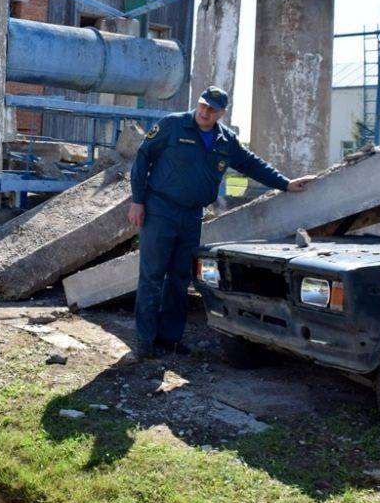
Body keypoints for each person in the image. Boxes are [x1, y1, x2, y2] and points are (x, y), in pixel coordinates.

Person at [128, 87, 315, 359]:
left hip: (192, 216)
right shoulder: (172, 125)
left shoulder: (225, 140)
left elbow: (252, 164)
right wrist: (138, 201)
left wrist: (285, 183)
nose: (205, 112)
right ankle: (145, 340)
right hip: (160, 210)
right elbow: (142, 157)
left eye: (212, 109)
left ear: (222, 113)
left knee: (180, 278)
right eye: (203, 106)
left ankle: (169, 338)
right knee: (152, 277)